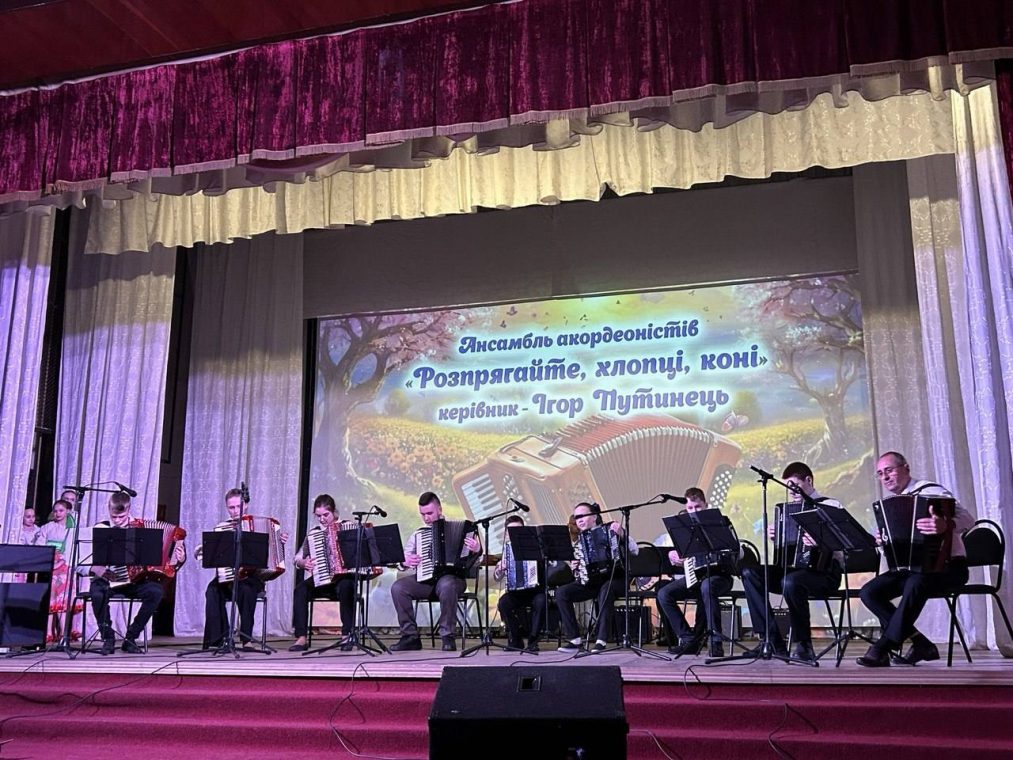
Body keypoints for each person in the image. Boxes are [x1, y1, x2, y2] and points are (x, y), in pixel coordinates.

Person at [856, 451, 974, 667]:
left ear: (906, 468)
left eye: (889, 470)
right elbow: (893, 545)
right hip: (910, 570)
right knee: (869, 592)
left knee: (916, 581)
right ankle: (921, 643)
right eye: (880, 474)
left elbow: (968, 519)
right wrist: (882, 540)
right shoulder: (890, 505)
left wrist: (947, 525)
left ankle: (882, 647)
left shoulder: (932, 492)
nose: (885, 477)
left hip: (949, 568)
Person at [741, 462, 844, 662]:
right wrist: (776, 536)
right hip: (792, 572)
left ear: (808, 480)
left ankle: (803, 644)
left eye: (794, 486)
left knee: (791, 582)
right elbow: (787, 549)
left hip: (825, 574)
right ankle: (771, 640)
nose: (791, 491)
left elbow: (844, 544)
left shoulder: (831, 506)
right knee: (750, 574)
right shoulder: (786, 511)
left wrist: (822, 541)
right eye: (787, 487)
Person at [88, 492, 186, 654]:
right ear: (108, 509)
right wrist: (96, 569)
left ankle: (131, 637)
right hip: (108, 578)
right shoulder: (101, 529)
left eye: (121, 517)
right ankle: (108, 638)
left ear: (129, 510)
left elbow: (167, 559)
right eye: (114, 517)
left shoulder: (142, 529)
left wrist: (179, 558)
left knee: (156, 592)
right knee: (97, 593)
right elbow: (82, 559)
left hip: (135, 581)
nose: (117, 521)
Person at [390, 491, 482, 652]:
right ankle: (410, 637)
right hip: (427, 581)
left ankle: (447, 636)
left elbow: (477, 562)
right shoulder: (419, 534)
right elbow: (404, 559)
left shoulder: (463, 529)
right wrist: (405, 562)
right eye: (423, 514)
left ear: (439, 509)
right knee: (398, 588)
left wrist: (477, 550)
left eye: (429, 513)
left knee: (446, 585)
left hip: (454, 580)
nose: (426, 518)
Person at [202, 487, 287, 650]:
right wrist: (204, 549)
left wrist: (279, 543)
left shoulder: (258, 525)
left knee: (246, 590)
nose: (235, 511)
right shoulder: (222, 527)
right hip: (228, 577)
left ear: (245, 505)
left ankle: (246, 638)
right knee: (212, 590)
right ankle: (220, 638)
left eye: (238, 507)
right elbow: (208, 552)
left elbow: (270, 555)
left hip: (251, 577)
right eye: (231, 507)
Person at [657, 488, 736, 658]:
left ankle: (715, 642)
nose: (693, 511)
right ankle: (688, 640)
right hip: (695, 576)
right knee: (664, 594)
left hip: (720, 576)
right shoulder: (684, 527)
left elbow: (737, 551)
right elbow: (679, 552)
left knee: (707, 587)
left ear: (706, 505)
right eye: (690, 508)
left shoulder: (720, 522)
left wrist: (728, 551)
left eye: (697, 507)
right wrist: (673, 555)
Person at [556, 502, 638, 654]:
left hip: (617, 579)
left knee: (606, 589)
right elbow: (581, 574)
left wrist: (622, 534)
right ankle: (575, 640)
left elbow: (635, 550)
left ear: (594, 517)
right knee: (562, 592)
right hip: (593, 583)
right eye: (577, 517)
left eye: (583, 516)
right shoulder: (578, 542)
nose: (579, 520)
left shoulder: (610, 530)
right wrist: (576, 568)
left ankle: (601, 640)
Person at [288, 494, 358, 652]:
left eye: (325, 515)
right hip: (322, 579)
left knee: (347, 585)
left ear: (334, 512)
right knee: (300, 589)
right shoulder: (314, 533)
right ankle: (301, 638)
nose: (322, 519)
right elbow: (297, 557)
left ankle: (346, 635)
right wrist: (303, 563)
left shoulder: (348, 527)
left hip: (342, 579)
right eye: (318, 516)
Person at [494, 514, 547, 652]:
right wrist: (500, 569)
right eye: (511, 531)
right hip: (515, 592)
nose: (515, 534)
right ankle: (516, 639)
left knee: (541, 601)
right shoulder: (506, 550)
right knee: (503, 603)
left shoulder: (535, 547)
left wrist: (540, 560)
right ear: (506, 534)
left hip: (535, 591)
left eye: (519, 530)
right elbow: (497, 577)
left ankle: (533, 640)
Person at [40, 499, 76, 642]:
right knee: (51, 597)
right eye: (55, 511)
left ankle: (64, 633)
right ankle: (48, 632)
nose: (58, 513)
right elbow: (40, 545)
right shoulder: (47, 527)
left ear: (67, 511)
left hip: (65, 566)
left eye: (61, 510)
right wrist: (50, 560)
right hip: (50, 564)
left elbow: (72, 549)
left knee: (63, 599)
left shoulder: (72, 530)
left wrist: (62, 561)